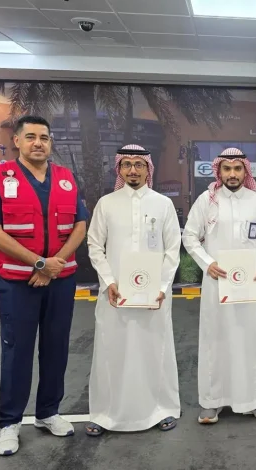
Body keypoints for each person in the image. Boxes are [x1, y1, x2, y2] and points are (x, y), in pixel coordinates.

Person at [0, 115, 88, 456]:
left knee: (56, 348)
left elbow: (79, 226)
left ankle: (48, 412)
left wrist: (53, 265)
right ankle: (9, 423)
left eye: (44, 138)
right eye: (31, 136)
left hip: (60, 281)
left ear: (51, 143)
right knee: (17, 351)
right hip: (17, 283)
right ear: (17, 141)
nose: (39, 143)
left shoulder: (65, 178)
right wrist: (38, 263)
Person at [84, 144, 183, 436]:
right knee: (111, 350)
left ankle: (162, 409)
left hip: (155, 295)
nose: (133, 170)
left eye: (139, 164)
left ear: (148, 168)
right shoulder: (107, 204)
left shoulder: (163, 204)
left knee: (155, 349)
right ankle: (104, 413)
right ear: (119, 168)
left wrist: (162, 286)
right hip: (115, 293)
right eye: (126, 164)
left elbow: (172, 249)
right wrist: (109, 281)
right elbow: (94, 245)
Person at [182, 148, 256, 424]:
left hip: (251, 285)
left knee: (252, 341)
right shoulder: (206, 201)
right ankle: (212, 402)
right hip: (217, 284)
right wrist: (207, 263)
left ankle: (255, 399)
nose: (232, 174)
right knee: (215, 341)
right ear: (219, 171)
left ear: (245, 171)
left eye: (238, 168)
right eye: (227, 168)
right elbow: (190, 237)